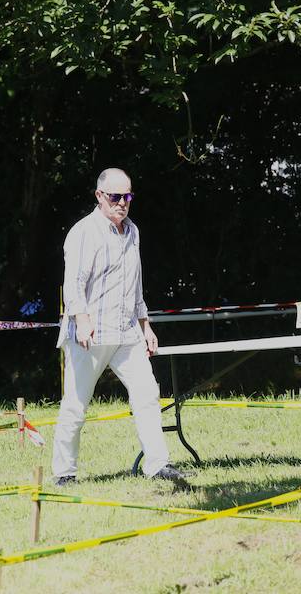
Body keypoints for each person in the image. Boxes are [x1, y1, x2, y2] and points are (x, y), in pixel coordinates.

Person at [52, 167, 188, 486]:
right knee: (75, 403)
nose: (122, 203)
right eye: (115, 196)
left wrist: (146, 326)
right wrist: (82, 322)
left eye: (128, 196)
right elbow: (73, 285)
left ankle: (158, 465)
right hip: (90, 333)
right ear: (99, 196)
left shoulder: (133, 232)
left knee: (147, 394)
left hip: (127, 331)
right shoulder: (83, 232)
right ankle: (64, 473)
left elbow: (135, 285)